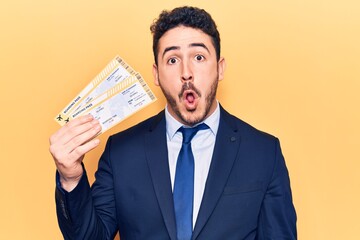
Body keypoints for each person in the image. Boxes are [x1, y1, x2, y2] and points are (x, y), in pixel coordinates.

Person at [49, 6, 297, 240]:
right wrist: (70, 179)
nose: (186, 72)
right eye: (173, 60)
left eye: (199, 57)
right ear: (156, 74)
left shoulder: (264, 153)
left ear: (220, 69)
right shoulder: (121, 152)